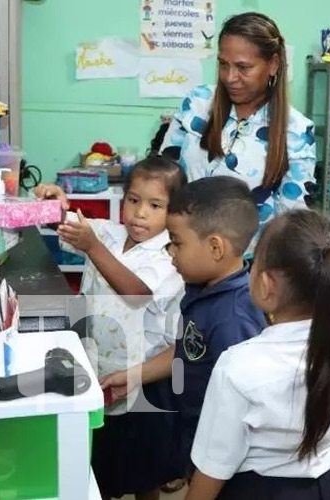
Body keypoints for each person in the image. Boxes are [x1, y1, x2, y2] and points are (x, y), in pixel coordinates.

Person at [183, 210, 330, 500]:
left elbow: (212, 472)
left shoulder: (239, 366)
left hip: (258, 491)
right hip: (325, 489)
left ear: (267, 285)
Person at [101, 176, 268, 486]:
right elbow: (188, 349)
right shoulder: (201, 289)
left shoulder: (233, 319)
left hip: (228, 463)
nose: (170, 252)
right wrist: (136, 375)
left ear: (215, 247)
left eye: (176, 242)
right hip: (198, 438)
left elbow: (239, 420)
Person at [48, 157, 187, 500]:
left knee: (144, 474)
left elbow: (136, 292)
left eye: (155, 205)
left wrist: (91, 246)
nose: (140, 213)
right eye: (134, 200)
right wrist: (52, 205)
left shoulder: (169, 256)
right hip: (98, 369)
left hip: (142, 380)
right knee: (101, 466)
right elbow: (66, 226)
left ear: (173, 212)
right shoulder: (108, 233)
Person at [159, 12, 316, 257]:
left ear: (273, 64)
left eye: (244, 67)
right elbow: (163, 178)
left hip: (242, 273)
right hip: (177, 259)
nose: (230, 77)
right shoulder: (198, 103)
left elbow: (291, 220)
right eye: (223, 64)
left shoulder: (296, 132)